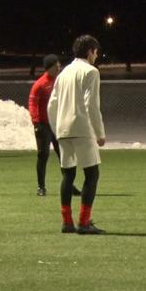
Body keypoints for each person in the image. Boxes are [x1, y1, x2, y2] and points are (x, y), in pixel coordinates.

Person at [47, 35, 106, 235]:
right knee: (92, 174)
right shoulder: (91, 71)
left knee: (68, 174)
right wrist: (99, 132)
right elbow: (91, 105)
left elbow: (51, 105)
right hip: (82, 128)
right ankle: (84, 221)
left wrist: (57, 129)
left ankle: (67, 222)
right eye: (96, 52)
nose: (96, 56)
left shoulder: (63, 74)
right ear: (90, 51)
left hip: (63, 129)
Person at [29, 54, 78, 197]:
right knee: (42, 155)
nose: (59, 67)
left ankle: (69, 185)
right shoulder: (40, 84)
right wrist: (36, 121)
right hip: (43, 125)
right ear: (49, 67)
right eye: (56, 65)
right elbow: (32, 103)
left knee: (64, 155)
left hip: (58, 124)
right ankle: (41, 187)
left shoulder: (60, 80)